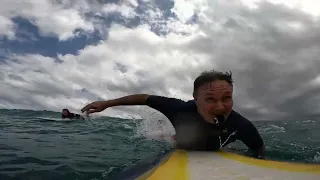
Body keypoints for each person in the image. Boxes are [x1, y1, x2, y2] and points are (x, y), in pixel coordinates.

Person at [80, 70, 266, 158]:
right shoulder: (180, 109)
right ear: (195, 98)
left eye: (227, 98)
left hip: (214, 145)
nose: (220, 106)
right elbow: (145, 98)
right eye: (210, 99)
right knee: (171, 138)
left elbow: (259, 149)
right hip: (182, 142)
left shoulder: (241, 125)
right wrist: (107, 103)